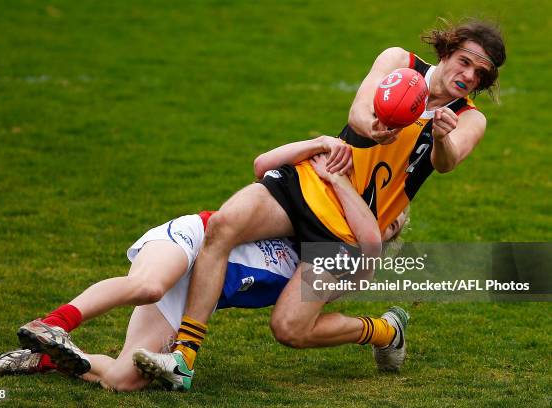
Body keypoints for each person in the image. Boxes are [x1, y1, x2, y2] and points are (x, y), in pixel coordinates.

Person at [137, 18, 506, 390]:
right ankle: (183, 357)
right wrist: (372, 127)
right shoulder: (399, 62)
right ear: (447, 50)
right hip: (314, 180)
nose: (469, 75)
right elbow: (359, 112)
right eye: (465, 61)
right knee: (224, 224)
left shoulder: (469, 118)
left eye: (480, 73)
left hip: (350, 230)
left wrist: (441, 138)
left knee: (289, 328)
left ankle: (384, 330)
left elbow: (447, 162)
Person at [0, 150, 406, 392]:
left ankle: (40, 359)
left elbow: (362, 255)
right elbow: (264, 165)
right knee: (148, 285)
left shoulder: (328, 266)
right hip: (191, 240)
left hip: (190, 298)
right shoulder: (309, 206)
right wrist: (322, 153)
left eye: (392, 223)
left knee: (123, 381)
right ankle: (54, 325)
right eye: (384, 214)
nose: (383, 221)